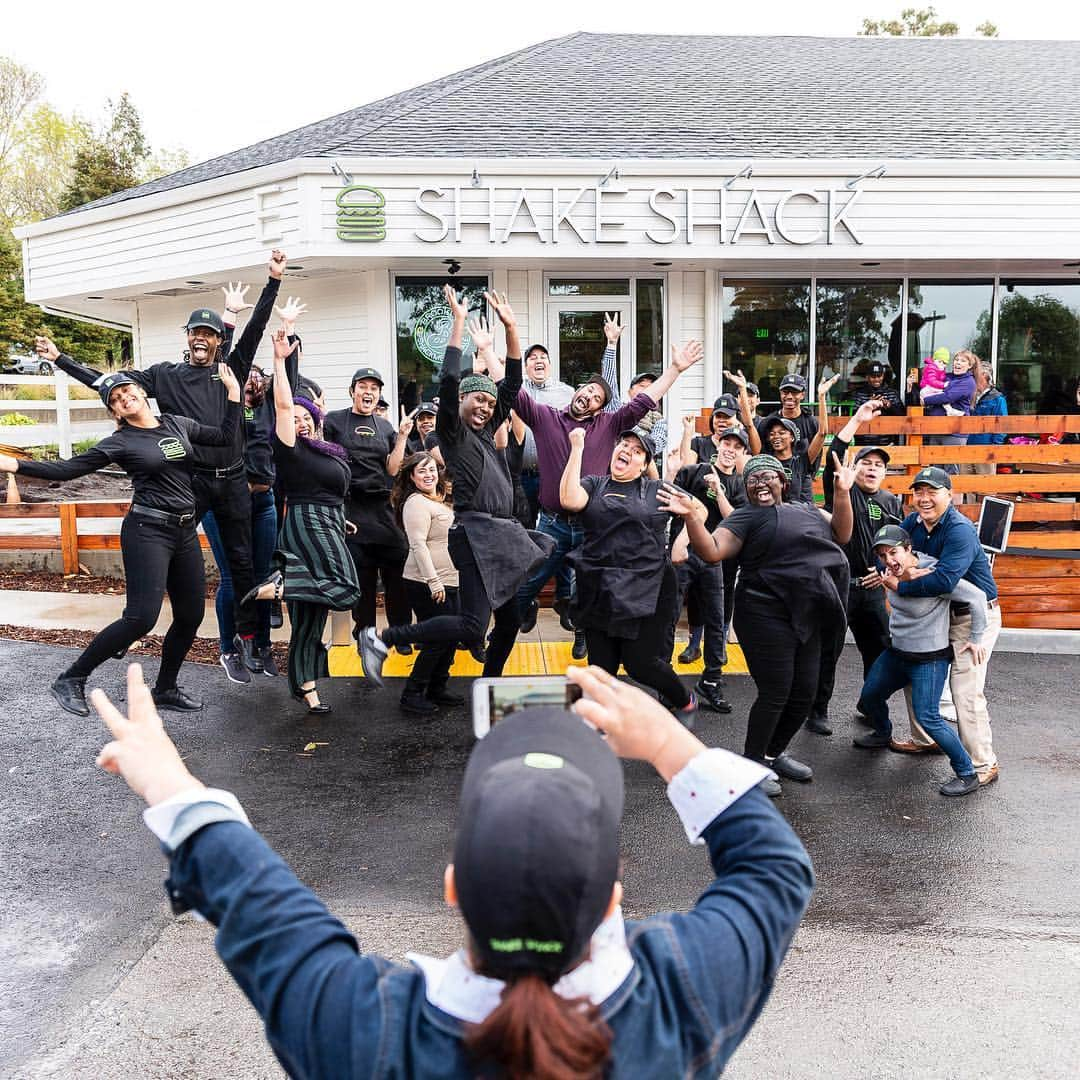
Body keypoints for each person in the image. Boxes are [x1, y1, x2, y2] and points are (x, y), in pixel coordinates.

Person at [90, 660, 813, 1079]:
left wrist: (168, 782)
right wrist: (668, 741)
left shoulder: (362, 1028)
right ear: (614, 899)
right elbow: (776, 873)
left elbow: (258, 903)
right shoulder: (684, 993)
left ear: (452, 887)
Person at [37, 253, 286, 677]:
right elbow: (110, 384)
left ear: (218, 340)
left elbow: (258, 326)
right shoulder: (163, 375)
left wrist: (273, 281)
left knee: (243, 562)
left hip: (234, 482)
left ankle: (246, 643)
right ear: (187, 336)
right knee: (166, 554)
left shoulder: (232, 368)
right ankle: (129, 628)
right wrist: (62, 360)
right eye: (196, 333)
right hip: (192, 484)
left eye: (210, 333)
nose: (203, 339)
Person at [0, 365, 243, 716]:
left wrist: (233, 395)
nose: (124, 398)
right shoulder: (121, 442)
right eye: (116, 400)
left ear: (140, 393)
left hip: (185, 530)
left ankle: (165, 688)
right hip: (148, 530)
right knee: (141, 618)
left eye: (127, 391)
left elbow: (223, 437)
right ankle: (71, 678)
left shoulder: (177, 423)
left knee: (190, 615)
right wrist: (14, 465)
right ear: (114, 412)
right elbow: (67, 470)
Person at [359, 288, 552, 683]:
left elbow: (513, 381)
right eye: (475, 400)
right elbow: (449, 380)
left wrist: (511, 328)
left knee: (511, 619)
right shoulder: (452, 431)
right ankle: (382, 639)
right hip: (475, 535)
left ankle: (490, 684)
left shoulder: (486, 430)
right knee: (470, 627)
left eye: (487, 401)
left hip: (501, 533)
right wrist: (459, 325)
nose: (483, 406)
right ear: (461, 404)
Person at [661, 453, 855, 797]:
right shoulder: (746, 517)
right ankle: (751, 765)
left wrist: (841, 494)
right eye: (752, 479)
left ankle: (772, 753)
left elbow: (841, 533)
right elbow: (713, 551)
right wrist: (692, 518)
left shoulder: (808, 510)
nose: (759, 482)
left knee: (805, 692)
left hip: (807, 612)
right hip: (764, 614)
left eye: (767, 476)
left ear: (783, 481)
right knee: (777, 691)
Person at [514, 326, 703, 660]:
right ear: (576, 393)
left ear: (600, 409)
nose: (588, 395)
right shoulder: (546, 418)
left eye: (597, 397)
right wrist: (496, 346)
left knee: (583, 586)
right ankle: (518, 615)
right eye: (586, 390)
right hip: (553, 521)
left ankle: (582, 632)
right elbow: (513, 392)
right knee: (529, 577)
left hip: (591, 522)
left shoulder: (610, 425)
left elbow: (646, 400)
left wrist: (674, 369)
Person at [245, 329, 360, 714]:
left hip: (330, 521)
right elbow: (280, 405)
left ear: (316, 418)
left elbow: (337, 493)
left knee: (312, 616)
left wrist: (342, 520)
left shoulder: (330, 451)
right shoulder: (290, 450)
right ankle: (278, 588)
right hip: (305, 522)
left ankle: (307, 689)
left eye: (305, 415)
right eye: (293, 419)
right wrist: (279, 361)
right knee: (347, 587)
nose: (300, 421)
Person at [560, 427, 697, 721]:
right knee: (601, 667)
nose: (627, 450)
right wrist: (577, 448)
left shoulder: (655, 490)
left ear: (644, 463)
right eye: (624, 444)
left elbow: (699, 511)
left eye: (637, 451)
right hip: (598, 586)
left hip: (648, 587)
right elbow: (569, 500)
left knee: (641, 664)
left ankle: (684, 700)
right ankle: (595, 726)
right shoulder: (595, 484)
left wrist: (683, 538)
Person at [875, 467, 1001, 786]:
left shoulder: (959, 529)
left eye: (932, 491)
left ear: (949, 494)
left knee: (965, 690)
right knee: (913, 667)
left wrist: (899, 585)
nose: (924, 498)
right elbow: (886, 553)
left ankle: (982, 762)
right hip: (938, 612)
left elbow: (945, 580)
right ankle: (924, 739)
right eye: (919, 491)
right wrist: (888, 570)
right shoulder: (913, 523)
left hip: (973, 615)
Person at [853, 525, 989, 798]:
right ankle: (883, 733)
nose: (888, 560)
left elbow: (978, 597)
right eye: (882, 555)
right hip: (897, 654)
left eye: (893, 552)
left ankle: (967, 773)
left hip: (928, 660)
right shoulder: (888, 571)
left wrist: (976, 637)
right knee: (870, 696)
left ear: (908, 548)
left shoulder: (933, 574)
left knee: (928, 717)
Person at [809, 400, 904, 735]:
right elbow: (836, 448)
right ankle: (817, 710)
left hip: (875, 590)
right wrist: (858, 420)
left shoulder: (892, 502)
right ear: (855, 468)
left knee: (879, 654)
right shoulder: (844, 491)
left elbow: (902, 550)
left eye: (880, 465)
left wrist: (888, 574)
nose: (873, 468)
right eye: (867, 463)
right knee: (828, 651)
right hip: (840, 587)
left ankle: (869, 705)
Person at [323, 367, 413, 653]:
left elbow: (393, 468)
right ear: (352, 391)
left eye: (374, 388)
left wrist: (400, 438)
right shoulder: (335, 421)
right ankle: (365, 634)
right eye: (363, 386)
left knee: (397, 570)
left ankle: (400, 633)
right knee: (361, 579)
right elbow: (324, 453)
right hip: (352, 508)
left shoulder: (385, 427)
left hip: (383, 508)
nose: (369, 392)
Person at [667, 426, 752, 713]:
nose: (730, 449)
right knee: (667, 615)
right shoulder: (694, 471)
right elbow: (670, 500)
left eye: (736, 446)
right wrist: (671, 472)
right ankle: (665, 684)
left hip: (714, 558)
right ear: (717, 444)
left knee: (717, 620)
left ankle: (712, 682)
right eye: (726, 442)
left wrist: (718, 491)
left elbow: (736, 519)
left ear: (742, 453)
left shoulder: (739, 484)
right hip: (683, 554)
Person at [388, 451, 463, 715]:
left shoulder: (440, 499)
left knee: (451, 637)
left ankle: (436, 688)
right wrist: (434, 582)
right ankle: (412, 694)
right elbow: (418, 545)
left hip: (451, 580)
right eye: (421, 471)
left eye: (431, 469)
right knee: (437, 640)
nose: (429, 475)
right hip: (426, 582)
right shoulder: (415, 503)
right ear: (411, 476)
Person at [757, 374, 835, 505]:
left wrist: (821, 397)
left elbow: (822, 434)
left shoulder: (811, 423)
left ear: (803, 395)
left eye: (794, 392)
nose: (789, 396)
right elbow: (758, 448)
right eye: (785, 392)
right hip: (774, 489)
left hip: (802, 482)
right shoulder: (768, 422)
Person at [962, 358, 1008, 498]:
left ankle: (986, 519)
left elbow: (1002, 425)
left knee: (986, 489)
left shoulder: (997, 398)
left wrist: (994, 447)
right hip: (966, 447)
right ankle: (970, 518)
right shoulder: (969, 395)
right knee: (967, 488)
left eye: (977, 374)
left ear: (986, 377)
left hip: (986, 449)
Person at [850, 359, 903, 444]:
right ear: (867, 377)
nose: (876, 379)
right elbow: (852, 416)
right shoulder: (859, 394)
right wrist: (868, 405)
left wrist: (889, 405)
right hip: (863, 443)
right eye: (873, 376)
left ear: (883, 375)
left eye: (879, 376)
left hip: (888, 443)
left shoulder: (892, 393)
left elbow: (902, 415)